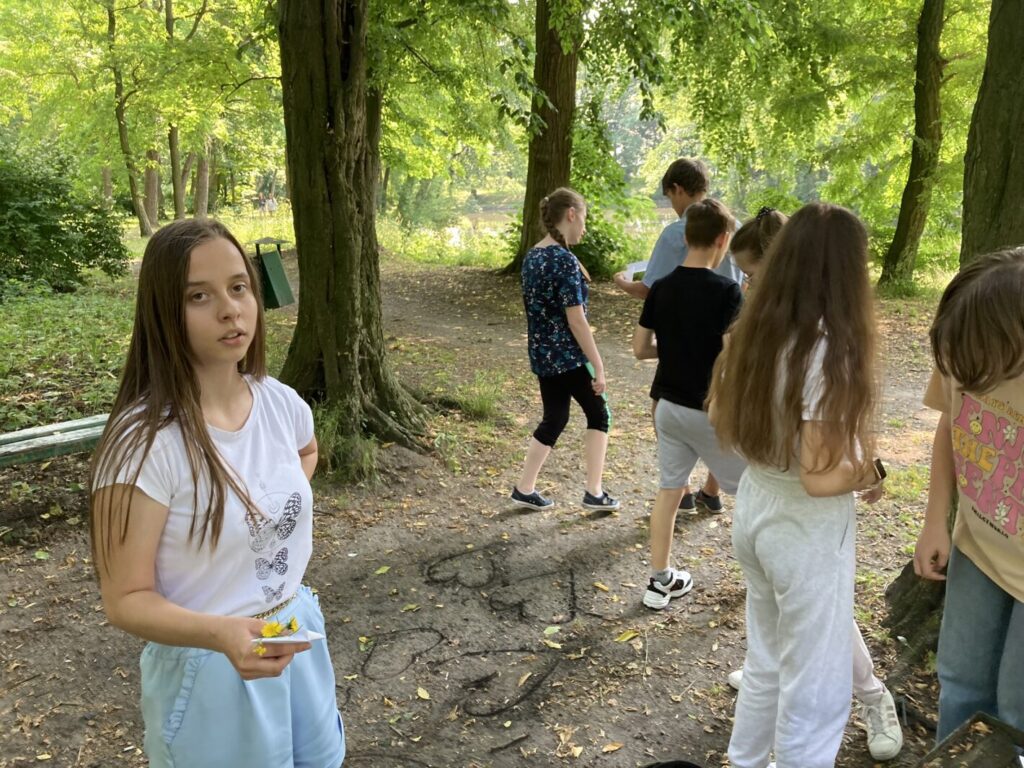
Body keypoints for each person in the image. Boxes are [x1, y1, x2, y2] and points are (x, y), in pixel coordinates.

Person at [88, 219, 345, 768]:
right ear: (163, 312)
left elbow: (306, 451)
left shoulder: (280, 403)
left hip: (294, 632)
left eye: (238, 287)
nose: (230, 310)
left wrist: (267, 509)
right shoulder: (144, 446)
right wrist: (222, 633)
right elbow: (125, 599)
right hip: (208, 664)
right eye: (198, 296)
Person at [709, 203, 885, 768]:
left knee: (766, 660)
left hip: (757, 505)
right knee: (816, 682)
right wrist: (871, 471)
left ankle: (746, 761)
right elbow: (818, 477)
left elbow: (720, 417)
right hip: (801, 529)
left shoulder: (756, 331)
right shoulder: (827, 347)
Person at [914, 247, 1024, 742]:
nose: (963, 369)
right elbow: (950, 423)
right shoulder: (964, 341)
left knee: (1017, 712)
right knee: (959, 682)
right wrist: (935, 520)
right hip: (977, 547)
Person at [631, 199, 747, 609]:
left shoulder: (661, 287)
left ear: (685, 237)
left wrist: (675, 348)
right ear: (723, 240)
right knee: (752, 489)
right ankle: (764, 577)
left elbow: (640, 349)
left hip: (667, 407)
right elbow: (733, 355)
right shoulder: (728, 291)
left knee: (669, 490)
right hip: (707, 409)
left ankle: (660, 580)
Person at [613, 158, 743, 513]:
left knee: (668, 416)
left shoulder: (676, 233)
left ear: (678, 189)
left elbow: (648, 291)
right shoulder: (733, 226)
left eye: (670, 196)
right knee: (722, 423)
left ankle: (680, 490)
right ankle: (711, 492)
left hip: (678, 351)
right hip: (722, 344)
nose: (672, 204)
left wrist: (624, 284)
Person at [511, 187, 619, 512]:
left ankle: (524, 488)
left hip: (543, 355)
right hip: (569, 357)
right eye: (583, 218)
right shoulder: (564, 260)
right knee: (600, 414)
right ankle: (594, 492)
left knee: (555, 417)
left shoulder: (532, 256)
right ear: (571, 214)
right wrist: (598, 365)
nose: (584, 227)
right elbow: (577, 320)